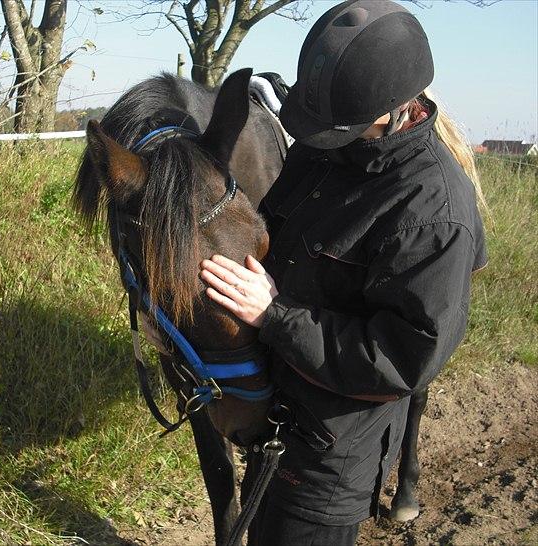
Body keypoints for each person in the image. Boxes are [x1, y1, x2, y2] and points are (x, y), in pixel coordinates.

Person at [198, 0, 488, 544]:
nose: (316, 138)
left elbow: (401, 360)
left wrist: (274, 315)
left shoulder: (431, 213)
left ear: (386, 112)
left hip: (329, 459)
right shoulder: (324, 153)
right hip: (274, 415)